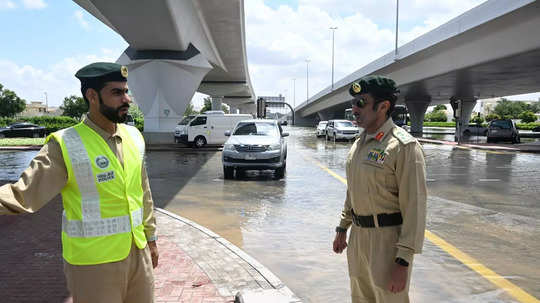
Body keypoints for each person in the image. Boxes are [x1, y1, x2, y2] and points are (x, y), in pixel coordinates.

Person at [0, 62, 159, 303]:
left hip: (138, 254)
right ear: (92, 96)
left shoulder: (134, 137)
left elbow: (143, 192)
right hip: (93, 263)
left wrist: (151, 239)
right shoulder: (65, 144)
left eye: (126, 91)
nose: (126, 99)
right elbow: (22, 195)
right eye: (117, 92)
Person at [332, 75, 427, 303]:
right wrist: (342, 227)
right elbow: (353, 190)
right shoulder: (359, 143)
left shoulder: (404, 147)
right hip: (358, 238)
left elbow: (415, 208)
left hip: (387, 243)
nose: (354, 108)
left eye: (361, 102)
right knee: (360, 297)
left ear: (383, 106)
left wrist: (403, 261)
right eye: (353, 103)